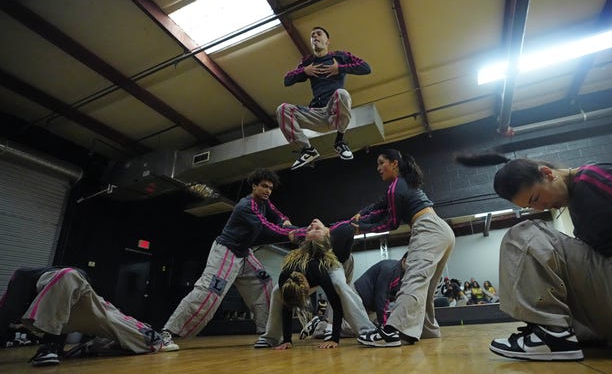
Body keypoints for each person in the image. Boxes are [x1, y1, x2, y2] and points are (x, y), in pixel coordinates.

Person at [457, 153, 612, 361]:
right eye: (530, 206)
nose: (539, 208)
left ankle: (552, 335)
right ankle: (561, 332)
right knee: (564, 300)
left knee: (523, 234)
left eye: (535, 198)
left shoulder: (592, 176)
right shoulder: (575, 204)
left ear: (547, 173)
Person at [159, 168, 297, 351]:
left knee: (264, 284)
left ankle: (269, 334)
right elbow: (266, 228)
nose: (267, 191)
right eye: (264, 186)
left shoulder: (265, 202)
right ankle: (166, 333)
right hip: (227, 252)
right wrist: (295, 232)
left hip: (244, 253)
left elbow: (277, 214)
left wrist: (286, 220)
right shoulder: (246, 206)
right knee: (209, 292)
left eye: (270, 188)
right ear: (254, 186)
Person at [352, 149, 456, 347]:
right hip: (442, 230)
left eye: (381, 163)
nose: (378, 169)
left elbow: (390, 223)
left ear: (394, 164)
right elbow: (381, 205)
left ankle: (393, 332)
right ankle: (427, 330)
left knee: (413, 280)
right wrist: (361, 214)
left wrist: (362, 228)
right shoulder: (402, 184)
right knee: (426, 287)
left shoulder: (396, 187)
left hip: (427, 229)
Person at [0, 266, 161, 366]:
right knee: (69, 279)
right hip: (74, 286)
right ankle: (53, 347)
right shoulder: (23, 276)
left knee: (152, 342)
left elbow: (7, 311)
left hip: (77, 286)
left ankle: (89, 345)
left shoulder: (23, 275)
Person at [254, 219, 375, 349]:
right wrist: (287, 340)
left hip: (332, 262)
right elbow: (287, 304)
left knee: (340, 285)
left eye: (317, 229)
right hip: (307, 267)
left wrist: (335, 339)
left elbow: (335, 303)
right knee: (277, 291)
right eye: (309, 229)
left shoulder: (341, 232)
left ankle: (367, 331)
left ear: (328, 233)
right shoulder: (288, 271)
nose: (311, 224)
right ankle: (271, 337)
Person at [277, 26, 371, 170]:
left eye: (319, 34)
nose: (315, 37)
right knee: (282, 109)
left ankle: (339, 141)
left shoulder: (340, 56)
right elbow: (287, 80)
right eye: (312, 35)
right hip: (315, 113)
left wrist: (340, 68)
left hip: (334, 112)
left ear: (327, 41)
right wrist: (305, 71)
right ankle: (307, 150)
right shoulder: (307, 62)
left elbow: (366, 68)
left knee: (342, 93)